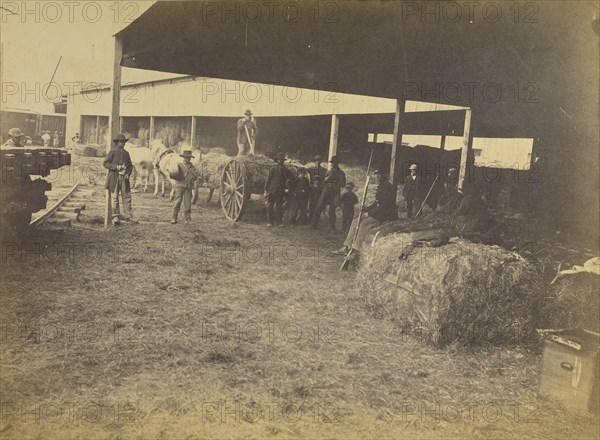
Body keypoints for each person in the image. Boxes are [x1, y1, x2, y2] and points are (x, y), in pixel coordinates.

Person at [333, 169, 398, 256]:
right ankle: (347, 246)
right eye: (377, 174)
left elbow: (383, 206)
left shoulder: (388, 187)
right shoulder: (382, 185)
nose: (377, 176)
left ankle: (356, 249)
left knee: (364, 223)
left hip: (386, 214)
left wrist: (369, 213)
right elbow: (377, 202)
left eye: (380, 174)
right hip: (379, 212)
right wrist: (366, 209)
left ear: (385, 175)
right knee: (356, 220)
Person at [104, 133, 138, 225]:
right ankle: (116, 217)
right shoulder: (112, 152)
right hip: (114, 178)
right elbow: (105, 163)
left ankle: (129, 216)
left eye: (124, 142)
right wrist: (116, 167)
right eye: (121, 142)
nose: (123, 143)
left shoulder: (127, 153)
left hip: (124, 179)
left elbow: (130, 166)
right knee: (115, 198)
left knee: (127, 197)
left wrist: (128, 173)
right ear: (117, 142)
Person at [310, 155, 346, 232]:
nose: (332, 164)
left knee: (331, 211)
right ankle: (313, 225)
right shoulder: (328, 172)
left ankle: (332, 228)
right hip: (326, 192)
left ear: (337, 163)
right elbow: (323, 182)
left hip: (334, 193)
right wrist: (326, 180)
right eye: (332, 162)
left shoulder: (341, 173)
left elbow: (343, 184)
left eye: (334, 162)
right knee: (318, 207)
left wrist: (333, 183)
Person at [264, 152, 293, 227]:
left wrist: (287, 186)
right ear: (277, 160)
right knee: (270, 207)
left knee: (279, 207)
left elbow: (291, 178)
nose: (280, 161)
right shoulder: (272, 169)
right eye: (279, 159)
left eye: (281, 159)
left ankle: (279, 223)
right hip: (272, 190)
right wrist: (266, 190)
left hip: (280, 191)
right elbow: (268, 180)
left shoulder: (286, 169)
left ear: (283, 161)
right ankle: (270, 222)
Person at [171, 150, 200, 224]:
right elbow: (174, 173)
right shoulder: (179, 165)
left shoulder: (192, 167)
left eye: (189, 157)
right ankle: (174, 218)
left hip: (188, 186)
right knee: (177, 201)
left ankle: (187, 219)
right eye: (186, 157)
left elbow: (196, 176)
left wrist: (193, 175)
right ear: (183, 157)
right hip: (179, 186)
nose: (188, 159)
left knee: (187, 204)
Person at [307, 155, 326, 222]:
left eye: (319, 161)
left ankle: (316, 220)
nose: (317, 162)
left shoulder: (324, 170)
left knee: (318, 204)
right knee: (311, 204)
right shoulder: (310, 169)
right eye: (316, 161)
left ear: (321, 161)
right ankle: (310, 220)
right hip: (312, 189)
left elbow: (325, 180)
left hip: (320, 189)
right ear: (314, 161)